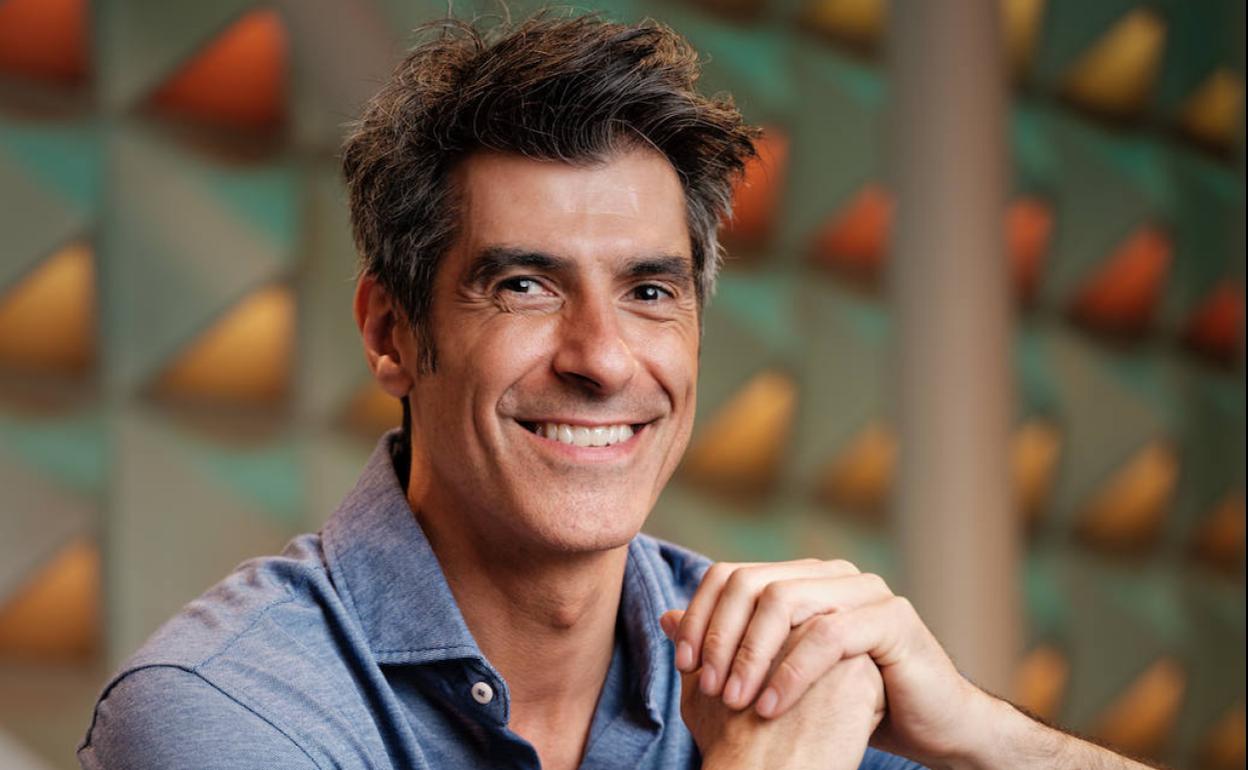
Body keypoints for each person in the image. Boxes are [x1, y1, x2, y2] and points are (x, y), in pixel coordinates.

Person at [80, 14, 1158, 770]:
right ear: (391, 333)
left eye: (649, 290)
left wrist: (977, 732)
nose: (601, 358)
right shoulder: (224, 711)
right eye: (523, 285)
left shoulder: (774, 669)